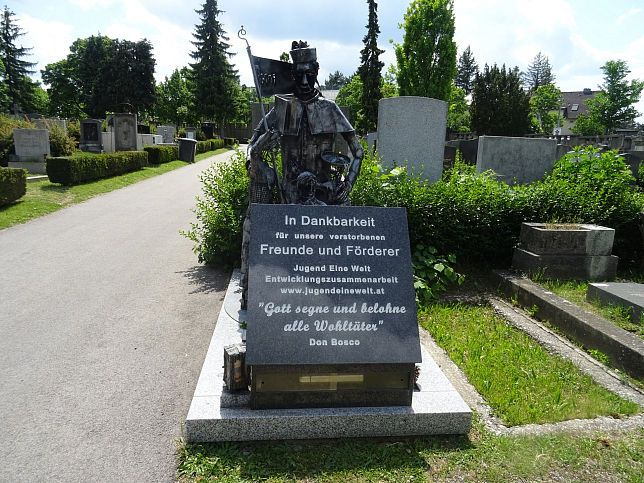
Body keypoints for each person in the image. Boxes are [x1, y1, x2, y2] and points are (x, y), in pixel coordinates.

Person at [240, 40, 364, 307]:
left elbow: (358, 151)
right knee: (251, 226)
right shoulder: (281, 109)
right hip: (288, 198)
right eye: (299, 75)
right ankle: (250, 293)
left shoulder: (330, 110)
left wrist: (348, 184)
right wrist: (260, 147)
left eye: (310, 75)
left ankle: (340, 293)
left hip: (324, 199)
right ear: (292, 75)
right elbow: (251, 148)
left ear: (317, 72)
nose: (305, 81)